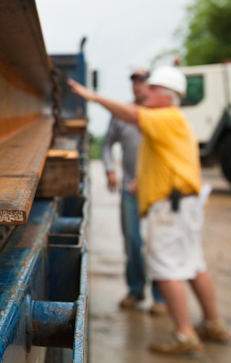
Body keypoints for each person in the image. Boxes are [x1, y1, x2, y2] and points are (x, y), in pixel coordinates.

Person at [69, 66, 231, 357]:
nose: (146, 92)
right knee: (194, 265)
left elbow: (132, 116)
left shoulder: (165, 117)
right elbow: (165, 159)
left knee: (166, 269)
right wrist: (142, 182)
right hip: (182, 204)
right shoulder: (171, 121)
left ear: (168, 96)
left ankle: (184, 334)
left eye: (153, 89)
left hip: (169, 208)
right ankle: (212, 323)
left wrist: (92, 97)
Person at [102, 69, 166, 315]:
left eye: (143, 82)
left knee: (159, 242)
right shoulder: (122, 115)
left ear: (152, 86)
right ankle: (135, 289)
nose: (138, 87)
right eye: (135, 83)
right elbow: (107, 144)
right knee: (132, 239)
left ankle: (161, 297)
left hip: (158, 190)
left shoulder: (161, 115)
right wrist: (109, 169)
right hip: (130, 188)